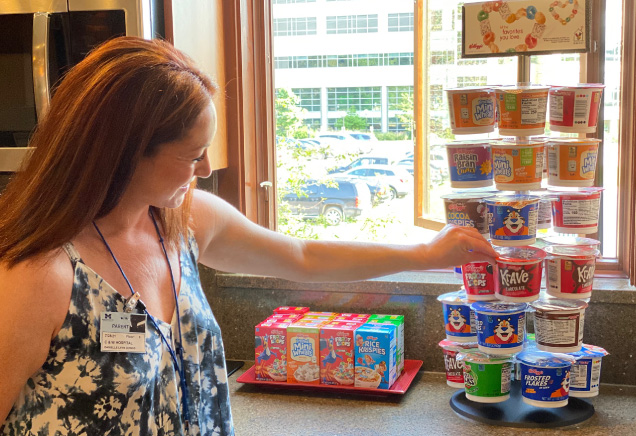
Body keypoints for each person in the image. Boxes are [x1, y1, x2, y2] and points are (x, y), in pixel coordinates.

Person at [0, 37, 497, 435]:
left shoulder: (182, 223)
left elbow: (302, 256)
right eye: (193, 155)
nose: (208, 167)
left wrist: (428, 252)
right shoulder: (39, 276)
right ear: (124, 152)